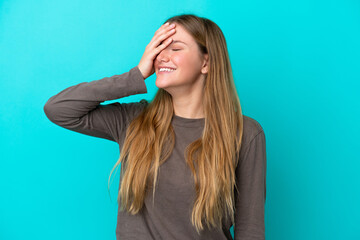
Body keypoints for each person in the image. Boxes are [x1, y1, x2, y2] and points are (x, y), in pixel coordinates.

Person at [43, 13, 266, 240]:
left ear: (206, 62)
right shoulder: (133, 120)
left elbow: (250, 229)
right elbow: (58, 109)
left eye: (175, 48)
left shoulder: (245, 133)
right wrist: (136, 75)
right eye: (159, 47)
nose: (161, 56)